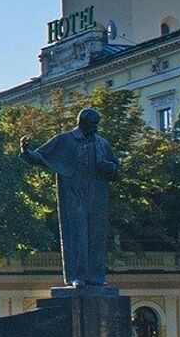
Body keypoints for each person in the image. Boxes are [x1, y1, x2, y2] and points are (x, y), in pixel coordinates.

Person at [21, 106, 121, 287]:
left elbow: (116, 169)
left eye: (97, 124)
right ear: (82, 123)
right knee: (77, 233)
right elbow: (41, 156)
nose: (96, 128)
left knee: (97, 234)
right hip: (73, 193)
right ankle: (77, 275)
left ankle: (96, 276)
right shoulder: (65, 140)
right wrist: (27, 152)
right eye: (92, 124)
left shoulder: (102, 144)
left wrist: (111, 169)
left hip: (97, 194)